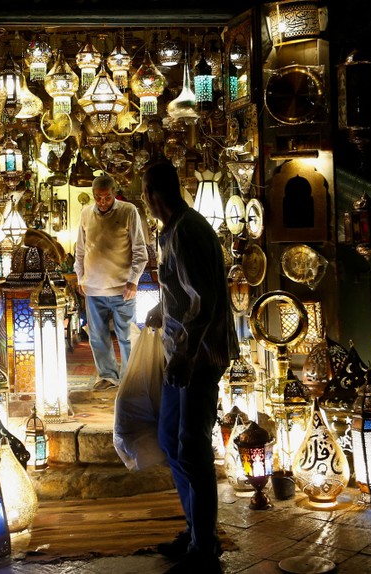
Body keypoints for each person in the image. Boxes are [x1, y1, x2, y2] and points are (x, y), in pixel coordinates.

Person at [142, 161, 239, 574]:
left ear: (153, 194)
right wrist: (162, 310)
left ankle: (205, 546)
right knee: (170, 438)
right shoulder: (170, 231)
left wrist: (185, 353)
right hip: (178, 352)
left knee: (193, 448)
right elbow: (182, 292)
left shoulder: (188, 230)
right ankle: (196, 529)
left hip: (198, 356)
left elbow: (207, 299)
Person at [73, 173, 149, 391]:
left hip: (122, 288)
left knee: (126, 336)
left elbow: (140, 252)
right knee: (97, 337)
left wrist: (133, 281)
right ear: (93, 196)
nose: (102, 202)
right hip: (93, 288)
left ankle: (129, 378)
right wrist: (80, 278)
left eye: (106, 197)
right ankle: (107, 376)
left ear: (114, 193)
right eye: (98, 197)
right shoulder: (86, 214)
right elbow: (80, 250)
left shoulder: (128, 211)